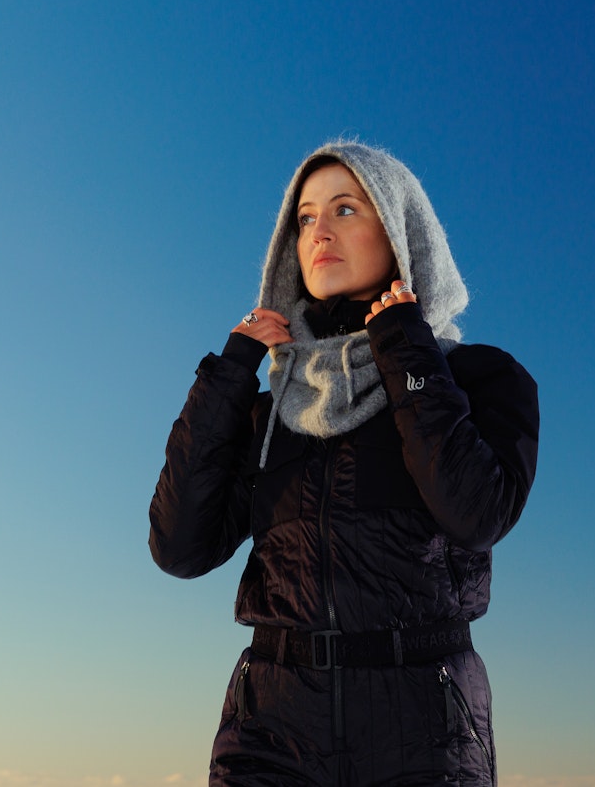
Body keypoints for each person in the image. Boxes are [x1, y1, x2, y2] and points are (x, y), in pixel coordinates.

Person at [149, 141, 539, 786]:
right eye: (304, 218)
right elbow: (178, 548)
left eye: (346, 209)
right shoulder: (274, 409)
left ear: (400, 233)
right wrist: (231, 374)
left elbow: (475, 514)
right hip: (270, 733)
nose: (319, 232)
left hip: (423, 730)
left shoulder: (479, 379)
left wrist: (406, 348)